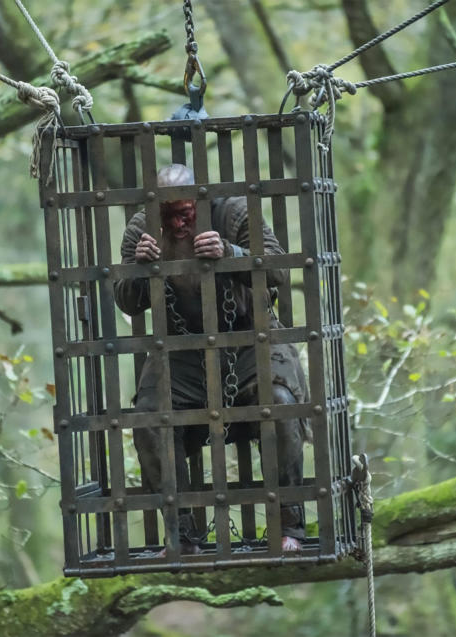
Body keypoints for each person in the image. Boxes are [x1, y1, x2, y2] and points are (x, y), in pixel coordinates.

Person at [114, 163, 310, 553]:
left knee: (282, 404)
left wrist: (232, 254)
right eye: (167, 217)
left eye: (184, 214)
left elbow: (278, 272)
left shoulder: (233, 212)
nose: (177, 225)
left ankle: (290, 525)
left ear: (199, 204)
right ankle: (182, 534)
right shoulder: (141, 228)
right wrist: (140, 269)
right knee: (149, 419)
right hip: (181, 349)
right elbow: (126, 301)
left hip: (249, 338)